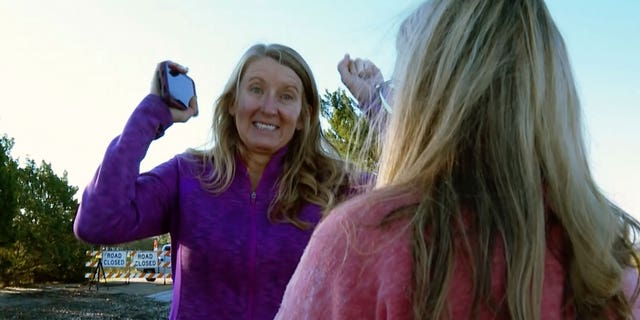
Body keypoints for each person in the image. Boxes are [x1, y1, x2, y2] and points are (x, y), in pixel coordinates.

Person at [275, 1, 640, 319]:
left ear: (422, 90)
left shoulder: (356, 246)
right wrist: (375, 98)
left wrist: (378, 100)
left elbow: (438, 153)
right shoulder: (608, 270)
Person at [73, 43, 359, 319]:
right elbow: (96, 221)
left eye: (286, 96)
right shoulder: (186, 175)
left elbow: (404, 200)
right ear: (233, 103)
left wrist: (376, 99)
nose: (269, 107)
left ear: (302, 116)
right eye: (256, 89)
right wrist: (152, 113)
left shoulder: (335, 184)